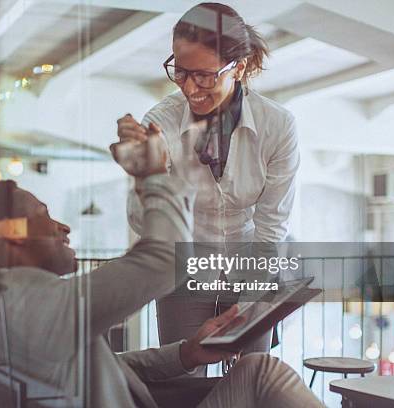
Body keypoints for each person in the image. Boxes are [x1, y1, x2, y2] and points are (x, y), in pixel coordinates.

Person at [0, 135, 321, 407]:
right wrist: (155, 174)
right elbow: (164, 260)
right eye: (45, 216)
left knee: (255, 369)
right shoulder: (38, 304)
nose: (63, 228)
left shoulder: (8, 301)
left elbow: (112, 367)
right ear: (14, 237)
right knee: (261, 372)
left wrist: (187, 354)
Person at [117, 3, 299, 360]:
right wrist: (146, 175)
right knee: (182, 376)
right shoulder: (161, 122)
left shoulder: (277, 126)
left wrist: (247, 309)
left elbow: (271, 226)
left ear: (240, 67)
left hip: (252, 263)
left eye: (204, 75)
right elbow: (145, 224)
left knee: (251, 374)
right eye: (180, 72)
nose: (189, 87)